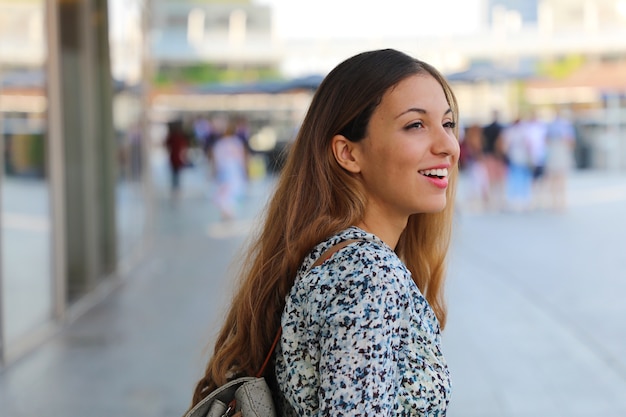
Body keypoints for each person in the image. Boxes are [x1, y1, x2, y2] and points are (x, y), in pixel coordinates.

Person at [187, 49, 460, 416]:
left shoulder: (334, 255)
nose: (448, 146)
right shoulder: (367, 275)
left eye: (447, 123)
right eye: (415, 125)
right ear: (348, 153)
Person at [211, 118, 248, 220]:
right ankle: (228, 212)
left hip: (226, 172)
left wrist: (214, 172)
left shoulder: (220, 144)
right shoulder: (237, 143)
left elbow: (216, 160)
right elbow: (243, 158)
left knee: (226, 194)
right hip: (234, 172)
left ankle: (227, 212)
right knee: (231, 194)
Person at [163, 119, 188, 199]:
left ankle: (175, 188)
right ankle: (175, 188)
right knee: (175, 174)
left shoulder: (174, 137)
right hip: (175, 158)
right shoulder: (176, 137)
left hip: (175, 158)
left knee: (175, 174)